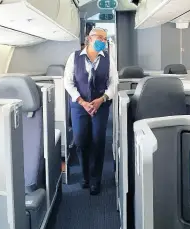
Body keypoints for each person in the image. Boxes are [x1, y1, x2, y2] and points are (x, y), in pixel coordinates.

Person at [64, 28, 118, 195]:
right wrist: (82, 101)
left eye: (104, 38)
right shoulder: (74, 57)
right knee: (80, 141)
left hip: (100, 106)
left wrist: (102, 99)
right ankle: (85, 175)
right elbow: (68, 82)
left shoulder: (109, 59)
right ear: (89, 38)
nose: (102, 40)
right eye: (99, 37)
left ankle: (96, 180)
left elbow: (113, 83)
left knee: (98, 141)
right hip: (79, 106)